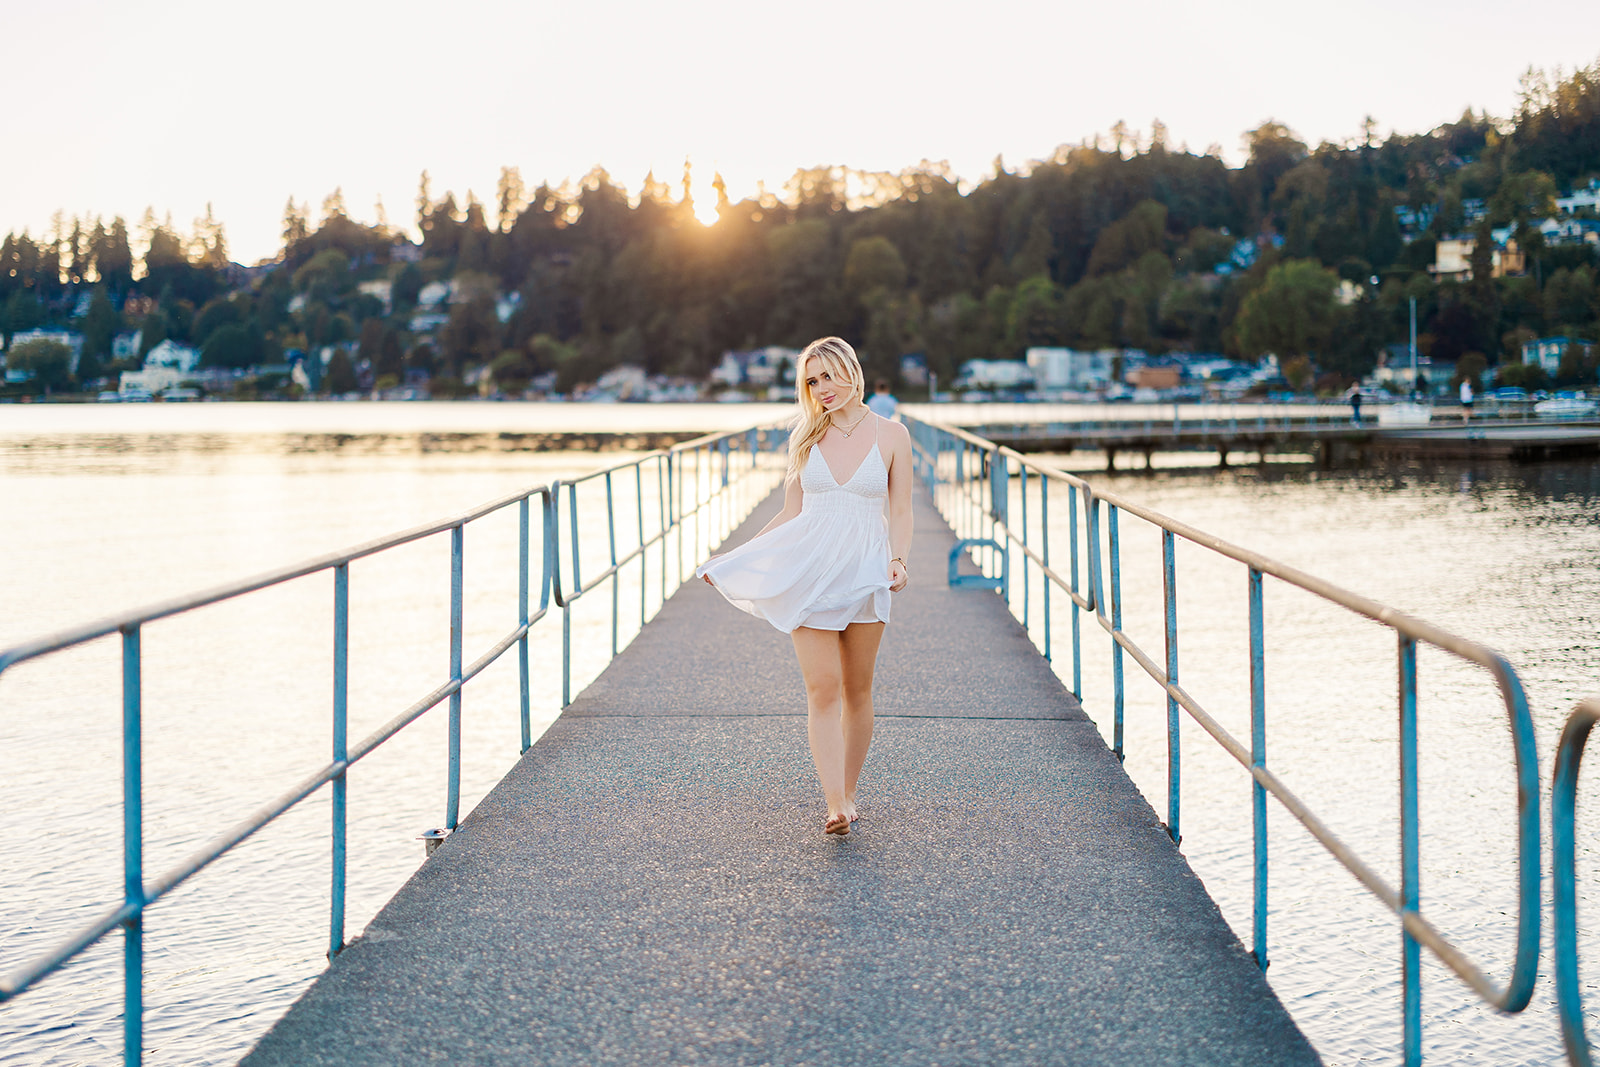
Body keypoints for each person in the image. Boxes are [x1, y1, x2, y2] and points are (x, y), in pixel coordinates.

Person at [697, 337, 912, 836]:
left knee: (858, 690)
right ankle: (834, 803)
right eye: (812, 381)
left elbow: (900, 510)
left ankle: (851, 790)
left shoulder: (892, 434)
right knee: (822, 689)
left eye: (829, 376)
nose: (822, 389)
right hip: (809, 574)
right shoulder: (805, 437)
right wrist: (736, 558)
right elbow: (790, 514)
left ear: (852, 371)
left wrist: (899, 561)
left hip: (865, 571)